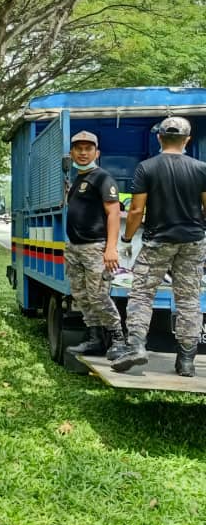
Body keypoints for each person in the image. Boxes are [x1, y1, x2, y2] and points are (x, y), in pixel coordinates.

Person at [111, 117, 206, 376]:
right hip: (193, 241)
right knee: (188, 300)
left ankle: (137, 347)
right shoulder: (201, 168)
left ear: (159, 138)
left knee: (142, 294)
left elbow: (136, 210)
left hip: (157, 240)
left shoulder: (147, 168)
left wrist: (128, 238)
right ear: (187, 140)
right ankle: (186, 361)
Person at [62, 131, 126, 360]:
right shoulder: (78, 178)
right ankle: (95, 339)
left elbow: (114, 213)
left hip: (95, 248)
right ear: (71, 152)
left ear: (96, 153)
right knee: (82, 295)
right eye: (78, 148)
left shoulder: (102, 178)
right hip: (75, 248)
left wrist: (111, 248)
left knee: (98, 295)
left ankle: (118, 339)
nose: (82, 152)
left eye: (88, 149)